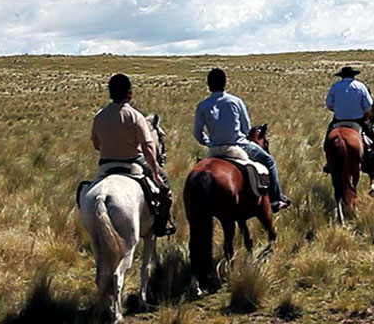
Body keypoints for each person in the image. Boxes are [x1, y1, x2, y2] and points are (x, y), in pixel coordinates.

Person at [193, 68, 291, 212]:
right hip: (238, 145)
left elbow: (197, 133)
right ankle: (276, 200)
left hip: (214, 148)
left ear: (209, 85)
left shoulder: (202, 106)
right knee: (269, 161)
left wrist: (208, 142)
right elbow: (246, 129)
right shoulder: (235, 101)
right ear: (225, 83)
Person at [91, 73, 175, 236]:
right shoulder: (135, 116)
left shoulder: (99, 116)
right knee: (165, 187)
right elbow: (148, 146)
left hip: (106, 163)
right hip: (133, 160)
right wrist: (156, 173)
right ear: (130, 93)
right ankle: (162, 224)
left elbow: (96, 145)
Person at [324, 65, 374, 174]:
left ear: (341, 76)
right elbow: (368, 105)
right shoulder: (360, 86)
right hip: (358, 119)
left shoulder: (335, 87)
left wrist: (338, 109)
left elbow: (329, 104)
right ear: (353, 76)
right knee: (373, 138)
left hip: (339, 119)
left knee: (327, 139)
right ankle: (373, 162)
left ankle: (329, 163)